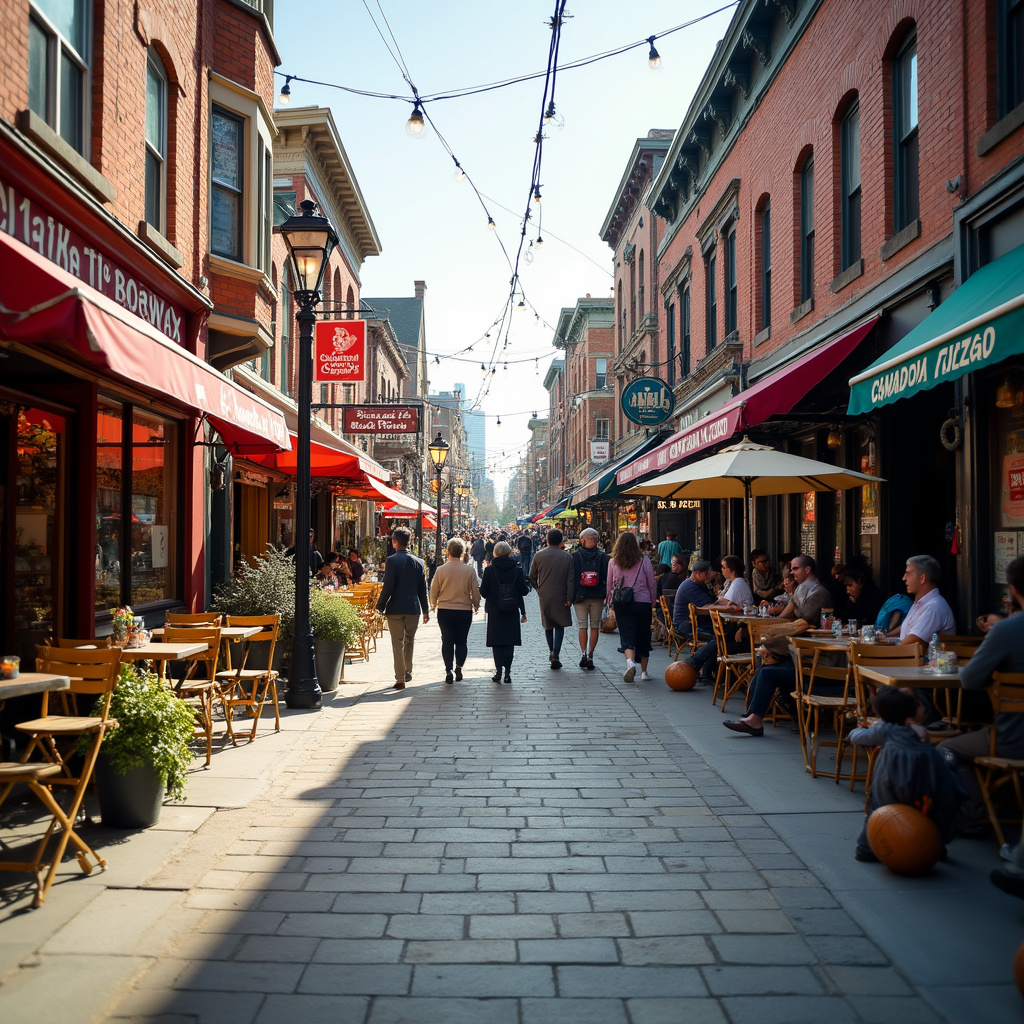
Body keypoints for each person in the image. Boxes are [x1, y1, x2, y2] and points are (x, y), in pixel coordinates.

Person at [939, 556, 1024, 843]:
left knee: (946, 749)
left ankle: (977, 813)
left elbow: (969, 680)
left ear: (1012, 590)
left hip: (1013, 738)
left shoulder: (1008, 630)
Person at [849, 687, 965, 862]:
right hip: (920, 781)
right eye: (919, 704)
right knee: (931, 810)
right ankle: (935, 843)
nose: (923, 708)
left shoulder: (885, 728)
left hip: (890, 780)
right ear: (911, 714)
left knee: (879, 808)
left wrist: (854, 731)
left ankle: (866, 847)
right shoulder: (922, 732)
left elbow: (859, 737)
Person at [375, 527, 429, 689]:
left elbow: (388, 586)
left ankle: (400, 678)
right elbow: (422, 589)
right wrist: (425, 610)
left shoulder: (392, 561)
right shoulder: (419, 562)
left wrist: (380, 605)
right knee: (409, 639)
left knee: (397, 642)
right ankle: (407, 670)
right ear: (410, 542)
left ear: (395, 542)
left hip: (396, 608)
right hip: (413, 608)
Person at [429, 537, 481, 684]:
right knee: (461, 641)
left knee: (447, 640)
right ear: (463, 552)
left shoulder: (441, 570)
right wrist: (476, 605)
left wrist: (433, 605)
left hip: (445, 610)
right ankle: (459, 667)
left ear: (448, 552)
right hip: (464, 610)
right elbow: (475, 591)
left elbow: (434, 591)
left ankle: (448, 670)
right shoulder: (469, 570)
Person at [607, 531, 657, 683]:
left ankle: (630, 662)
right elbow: (651, 582)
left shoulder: (613, 561)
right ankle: (644, 672)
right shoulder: (644, 560)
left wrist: (610, 603)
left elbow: (609, 584)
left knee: (627, 634)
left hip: (622, 602)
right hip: (643, 602)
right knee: (643, 634)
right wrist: (653, 601)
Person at [479, 540, 530, 683]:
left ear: (495, 553)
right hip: (512, 610)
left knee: (497, 643)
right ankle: (508, 672)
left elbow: (483, 592)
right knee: (509, 642)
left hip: (495, 611)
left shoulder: (489, 570)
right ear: (509, 553)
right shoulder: (517, 569)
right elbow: (523, 592)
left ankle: (498, 672)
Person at [529, 528, 575, 670]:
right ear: (561, 541)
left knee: (548, 625)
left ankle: (551, 651)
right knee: (559, 625)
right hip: (561, 594)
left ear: (547, 540)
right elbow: (571, 580)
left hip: (545, 595)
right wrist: (569, 597)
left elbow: (531, 577)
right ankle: (557, 653)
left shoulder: (538, 555)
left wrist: (538, 589)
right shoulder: (567, 557)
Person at [893, 554, 956, 646]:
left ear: (922, 578)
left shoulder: (934, 607)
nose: (904, 578)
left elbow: (910, 643)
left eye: (908, 573)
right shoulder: (921, 603)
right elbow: (906, 634)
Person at [572, 527, 609, 671]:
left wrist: (570, 596)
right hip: (597, 596)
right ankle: (591, 654)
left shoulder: (575, 556)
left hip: (580, 595)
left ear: (584, 540)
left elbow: (571, 577)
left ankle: (583, 654)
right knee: (594, 626)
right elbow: (607, 578)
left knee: (582, 625)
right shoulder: (604, 557)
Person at [768, 554, 832, 624]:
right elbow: (784, 616)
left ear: (807, 569)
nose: (791, 572)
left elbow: (808, 618)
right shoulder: (801, 588)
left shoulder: (819, 592)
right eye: (791, 569)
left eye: (795, 568)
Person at [672, 560, 716, 640]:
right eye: (707, 575)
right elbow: (707, 606)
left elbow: (711, 601)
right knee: (719, 637)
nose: (708, 578)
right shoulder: (689, 586)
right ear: (698, 573)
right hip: (687, 626)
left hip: (694, 623)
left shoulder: (699, 584)